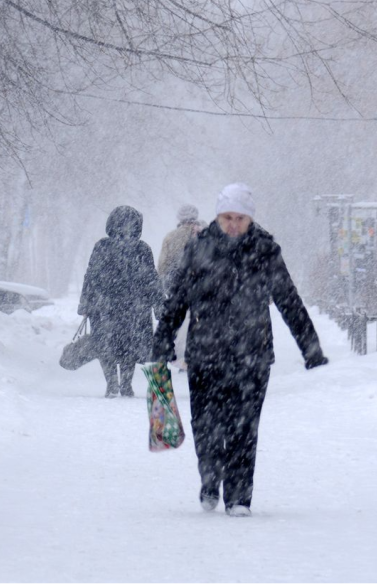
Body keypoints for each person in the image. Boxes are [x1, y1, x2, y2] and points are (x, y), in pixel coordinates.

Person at [152, 183, 328, 517]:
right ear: (217, 216)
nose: (233, 224)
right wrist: (162, 342)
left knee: (244, 428)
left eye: (240, 218)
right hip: (205, 355)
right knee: (205, 424)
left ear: (250, 218)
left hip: (253, 355)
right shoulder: (198, 249)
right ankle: (209, 480)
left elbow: (288, 300)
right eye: (227, 217)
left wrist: (311, 348)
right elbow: (177, 301)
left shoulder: (265, 251)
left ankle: (238, 498)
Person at [79, 205, 163, 398]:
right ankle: (125, 384)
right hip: (135, 307)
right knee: (129, 347)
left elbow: (91, 276)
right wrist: (158, 305)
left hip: (105, 306)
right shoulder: (142, 248)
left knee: (106, 345)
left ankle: (112, 384)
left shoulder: (102, 246)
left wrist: (86, 303)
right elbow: (152, 279)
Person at [157, 204, 205, 371]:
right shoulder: (206, 233)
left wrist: (167, 286)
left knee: (179, 322)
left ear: (179, 218)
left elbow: (162, 266)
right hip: (203, 286)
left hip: (178, 287)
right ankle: (196, 356)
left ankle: (180, 357)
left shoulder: (171, 237)